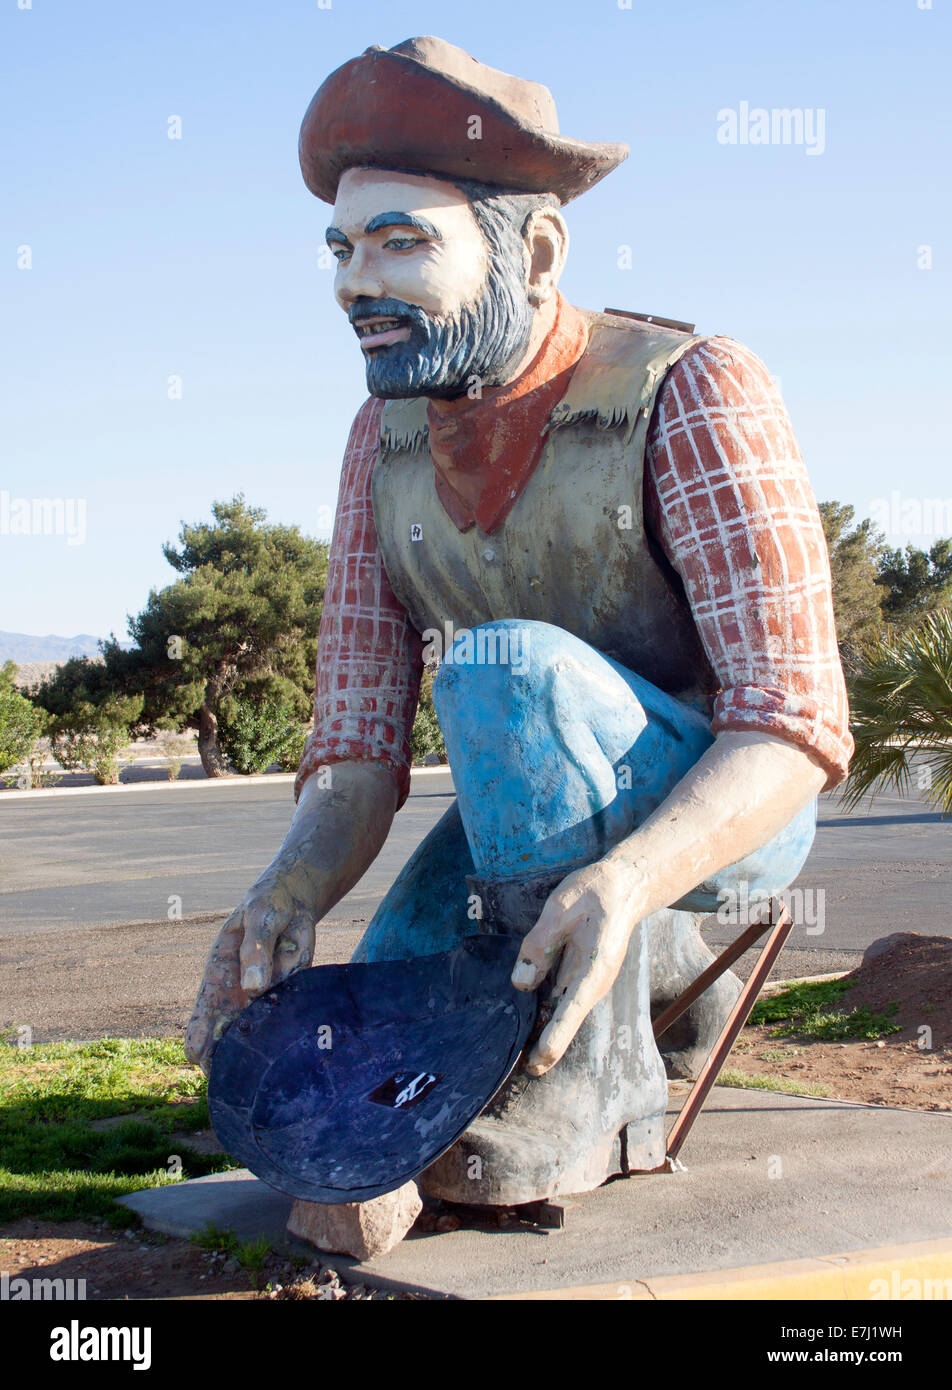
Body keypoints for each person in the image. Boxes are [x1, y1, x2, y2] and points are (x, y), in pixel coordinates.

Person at [186, 37, 851, 1204]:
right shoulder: (376, 443)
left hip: (724, 807)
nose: (355, 283)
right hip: (523, 832)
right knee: (361, 1042)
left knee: (504, 668)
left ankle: (585, 1081)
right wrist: (284, 892)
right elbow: (352, 752)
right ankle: (624, 1002)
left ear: (535, 252)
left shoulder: (687, 388)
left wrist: (638, 873)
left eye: (402, 242)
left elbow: (793, 718)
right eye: (342, 249)